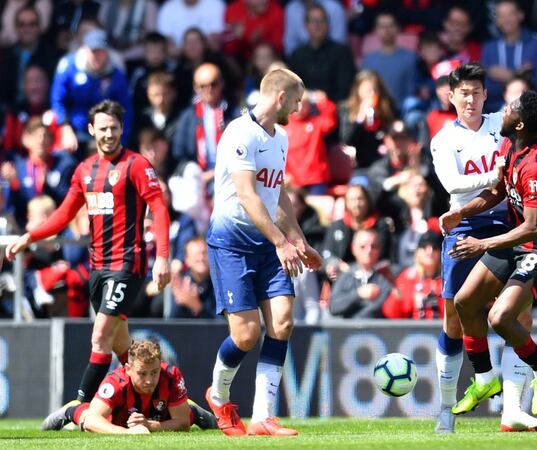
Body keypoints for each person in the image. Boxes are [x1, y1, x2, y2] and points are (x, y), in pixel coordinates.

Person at [6, 100, 171, 403]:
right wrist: (29, 236)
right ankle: (166, 398)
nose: (109, 134)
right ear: (92, 129)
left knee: (99, 337)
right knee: (124, 349)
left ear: (122, 129)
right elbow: (64, 214)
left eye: (115, 128)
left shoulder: (135, 165)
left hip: (127, 263)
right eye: (104, 128)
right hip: (98, 268)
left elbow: (160, 210)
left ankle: (79, 407)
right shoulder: (84, 170)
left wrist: (162, 257)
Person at [204, 68, 323, 437]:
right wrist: (280, 241)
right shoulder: (239, 133)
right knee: (245, 336)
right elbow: (247, 195)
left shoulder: (281, 137)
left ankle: (263, 417)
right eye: (298, 100)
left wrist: (298, 239)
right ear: (281, 98)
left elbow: (276, 193)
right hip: (232, 243)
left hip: (269, 244)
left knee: (283, 322)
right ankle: (218, 394)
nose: (300, 108)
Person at [439, 90, 537, 432]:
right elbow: (497, 190)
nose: (503, 110)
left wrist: (481, 244)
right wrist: (461, 211)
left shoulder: (536, 165)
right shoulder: (509, 145)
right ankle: (484, 377)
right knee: (465, 302)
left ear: (521, 123)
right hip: (516, 238)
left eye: (510, 108)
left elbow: (532, 227)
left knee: (500, 317)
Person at [428, 62, 512, 434]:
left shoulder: (502, 125)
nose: (470, 99)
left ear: (485, 96)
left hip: (506, 223)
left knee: (514, 314)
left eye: (476, 92)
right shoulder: (444, 139)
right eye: (463, 93)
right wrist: (496, 175)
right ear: (451, 97)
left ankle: (513, 408)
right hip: (462, 225)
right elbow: (453, 183)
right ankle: (446, 406)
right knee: (453, 319)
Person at [41, 339, 216, 434]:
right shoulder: (115, 382)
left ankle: (200, 413)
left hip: (156, 416)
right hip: (117, 420)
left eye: (154, 372)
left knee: (185, 414)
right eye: (142, 373)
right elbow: (93, 421)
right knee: (86, 414)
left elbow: (182, 422)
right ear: (128, 369)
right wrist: (127, 433)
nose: (149, 380)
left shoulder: (170, 375)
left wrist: (149, 425)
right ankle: (69, 411)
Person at [328, 229, 394, 319]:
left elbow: (382, 307)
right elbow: (334, 307)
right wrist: (358, 294)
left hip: (378, 330)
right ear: (353, 248)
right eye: (363, 246)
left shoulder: (386, 275)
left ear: (380, 249)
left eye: (374, 246)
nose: (369, 251)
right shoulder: (346, 276)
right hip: (349, 330)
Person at [382, 231, 444, 320]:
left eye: (434, 248)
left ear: (440, 252)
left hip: (440, 328)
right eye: (424, 247)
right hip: (412, 329)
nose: (430, 251)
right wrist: (411, 299)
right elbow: (391, 313)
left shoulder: (447, 279)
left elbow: (453, 314)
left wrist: (435, 300)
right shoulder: (407, 277)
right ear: (417, 252)